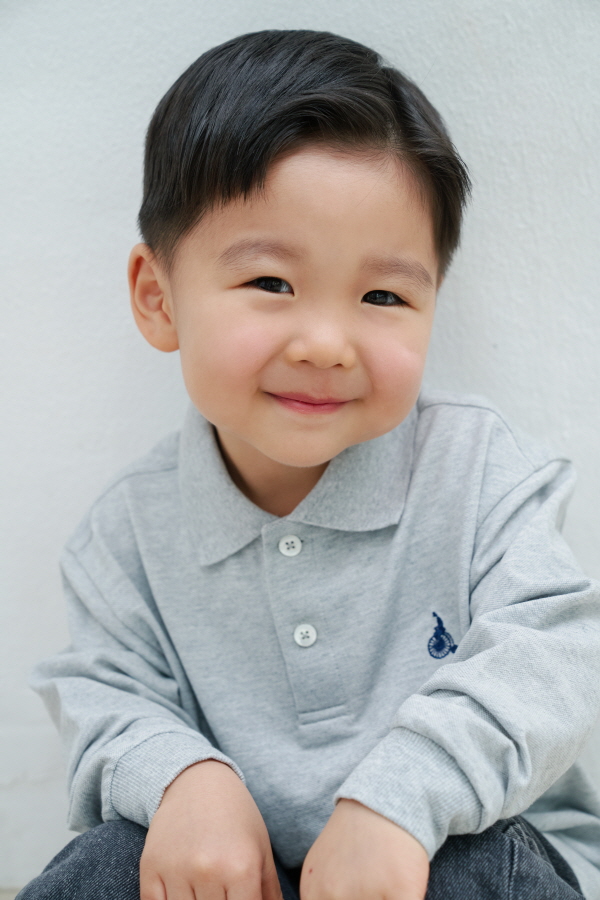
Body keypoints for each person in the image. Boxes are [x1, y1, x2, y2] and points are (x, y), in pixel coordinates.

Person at [18, 28, 600, 900]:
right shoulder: (126, 535)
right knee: (103, 865)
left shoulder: (480, 472)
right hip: (239, 879)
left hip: (460, 857)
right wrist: (181, 779)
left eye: (382, 296)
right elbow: (105, 691)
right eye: (271, 284)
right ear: (158, 297)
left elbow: (554, 652)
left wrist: (405, 796)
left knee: (479, 864)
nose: (326, 343)